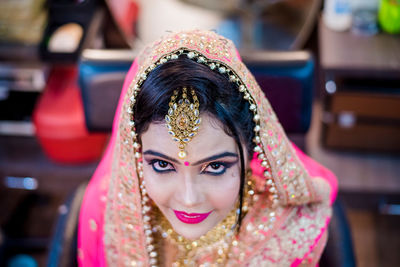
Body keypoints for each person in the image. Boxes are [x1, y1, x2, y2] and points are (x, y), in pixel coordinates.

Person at [78, 30, 338, 267]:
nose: (189, 199)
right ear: (135, 152)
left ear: (252, 149)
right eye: (162, 164)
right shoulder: (107, 212)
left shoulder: (287, 229)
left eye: (215, 166)